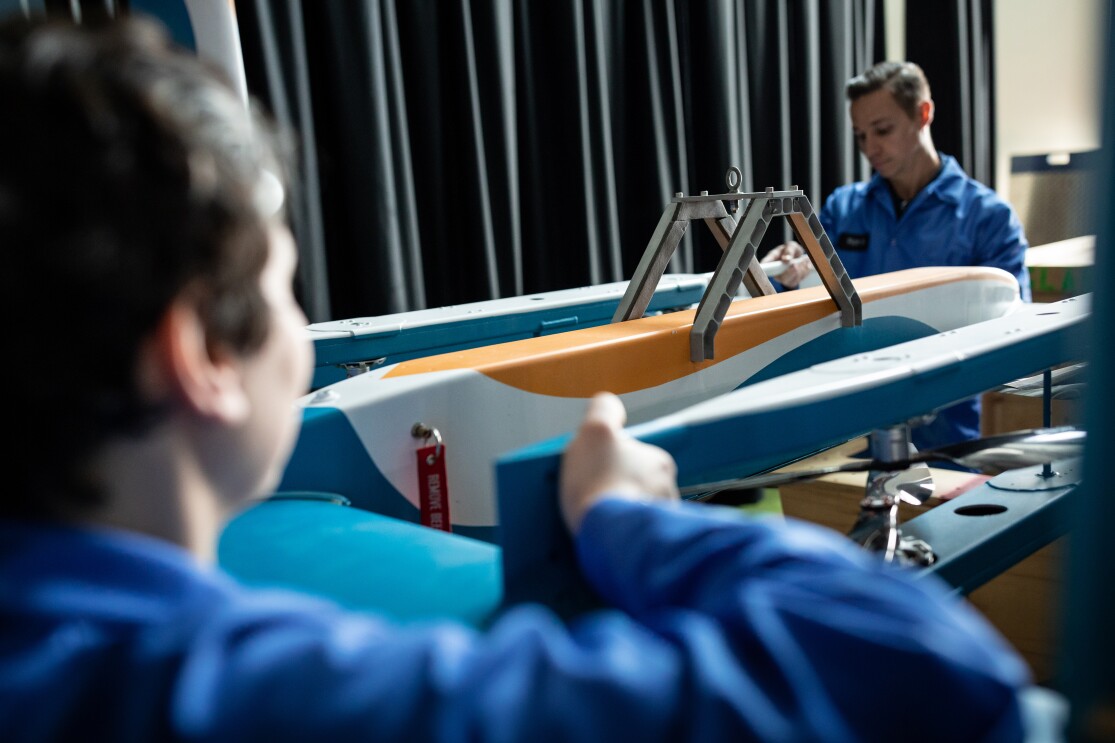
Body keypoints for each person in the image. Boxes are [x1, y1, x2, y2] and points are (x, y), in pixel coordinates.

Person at [0, 18, 1036, 742]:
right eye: (282, 282)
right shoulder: (246, 695)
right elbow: (924, 675)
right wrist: (634, 518)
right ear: (199, 355)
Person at [765, 61, 1032, 450]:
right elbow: (800, 296)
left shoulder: (988, 218)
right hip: (846, 431)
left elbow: (1010, 325)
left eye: (882, 130)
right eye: (860, 135)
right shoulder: (844, 208)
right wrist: (786, 268)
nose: (870, 147)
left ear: (923, 114)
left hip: (944, 432)